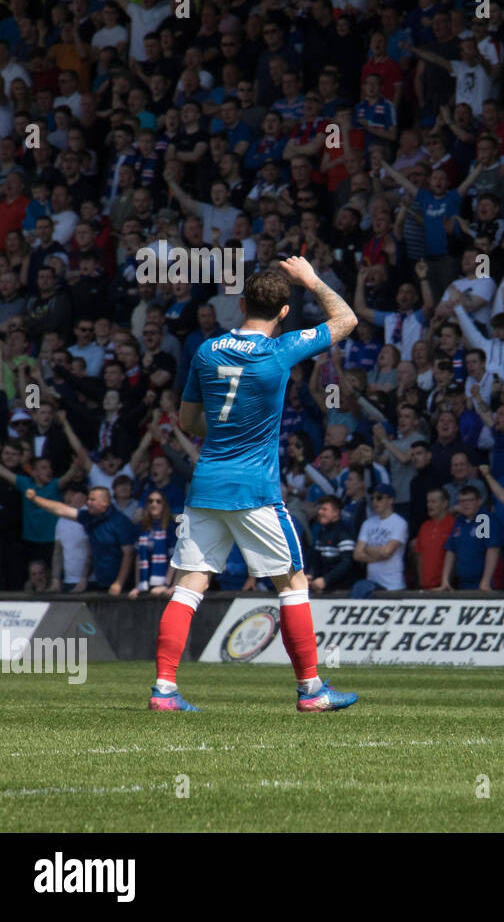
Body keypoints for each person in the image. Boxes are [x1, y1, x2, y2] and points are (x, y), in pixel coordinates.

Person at [152, 256, 359, 713]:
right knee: (292, 584)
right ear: (284, 312)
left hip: (207, 484)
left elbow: (187, 420)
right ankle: (311, 690)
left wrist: (226, 422)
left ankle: (164, 690)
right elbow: (346, 319)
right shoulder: (281, 349)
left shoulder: (206, 351)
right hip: (254, 490)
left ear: (242, 303)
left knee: (188, 586)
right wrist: (310, 278)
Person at [24, 484, 137, 594]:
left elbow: (129, 554)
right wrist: (36, 499)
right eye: (88, 499)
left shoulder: (120, 522)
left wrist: (119, 583)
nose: (88, 503)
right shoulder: (90, 517)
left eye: (92, 500)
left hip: (122, 586)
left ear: (105, 503)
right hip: (101, 583)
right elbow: (61, 510)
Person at [351, 484, 408, 596]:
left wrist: (366, 548)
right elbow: (357, 555)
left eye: (379, 498)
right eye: (373, 498)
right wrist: (380, 555)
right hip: (372, 586)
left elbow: (387, 551)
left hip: (393, 586)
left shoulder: (399, 523)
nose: (375, 502)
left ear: (390, 500)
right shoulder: (367, 523)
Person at [129, 489, 177, 598]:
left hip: (165, 586)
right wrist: (137, 585)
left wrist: (168, 584)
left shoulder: (171, 527)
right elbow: (138, 557)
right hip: (145, 584)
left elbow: (175, 558)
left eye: (158, 501)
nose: (154, 504)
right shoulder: (141, 526)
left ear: (164, 505)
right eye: (150, 501)